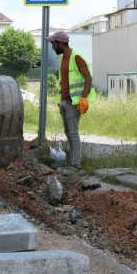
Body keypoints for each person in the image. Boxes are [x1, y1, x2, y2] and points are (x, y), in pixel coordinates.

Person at [45, 30, 95, 170]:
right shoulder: (63, 59)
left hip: (74, 102)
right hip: (64, 102)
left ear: (60, 43)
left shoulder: (76, 57)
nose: (53, 47)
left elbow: (88, 78)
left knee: (73, 132)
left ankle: (76, 165)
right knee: (68, 132)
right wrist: (60, 100)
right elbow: (64, 82)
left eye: (53, 44)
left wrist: (83, 98)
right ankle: (73, 163)